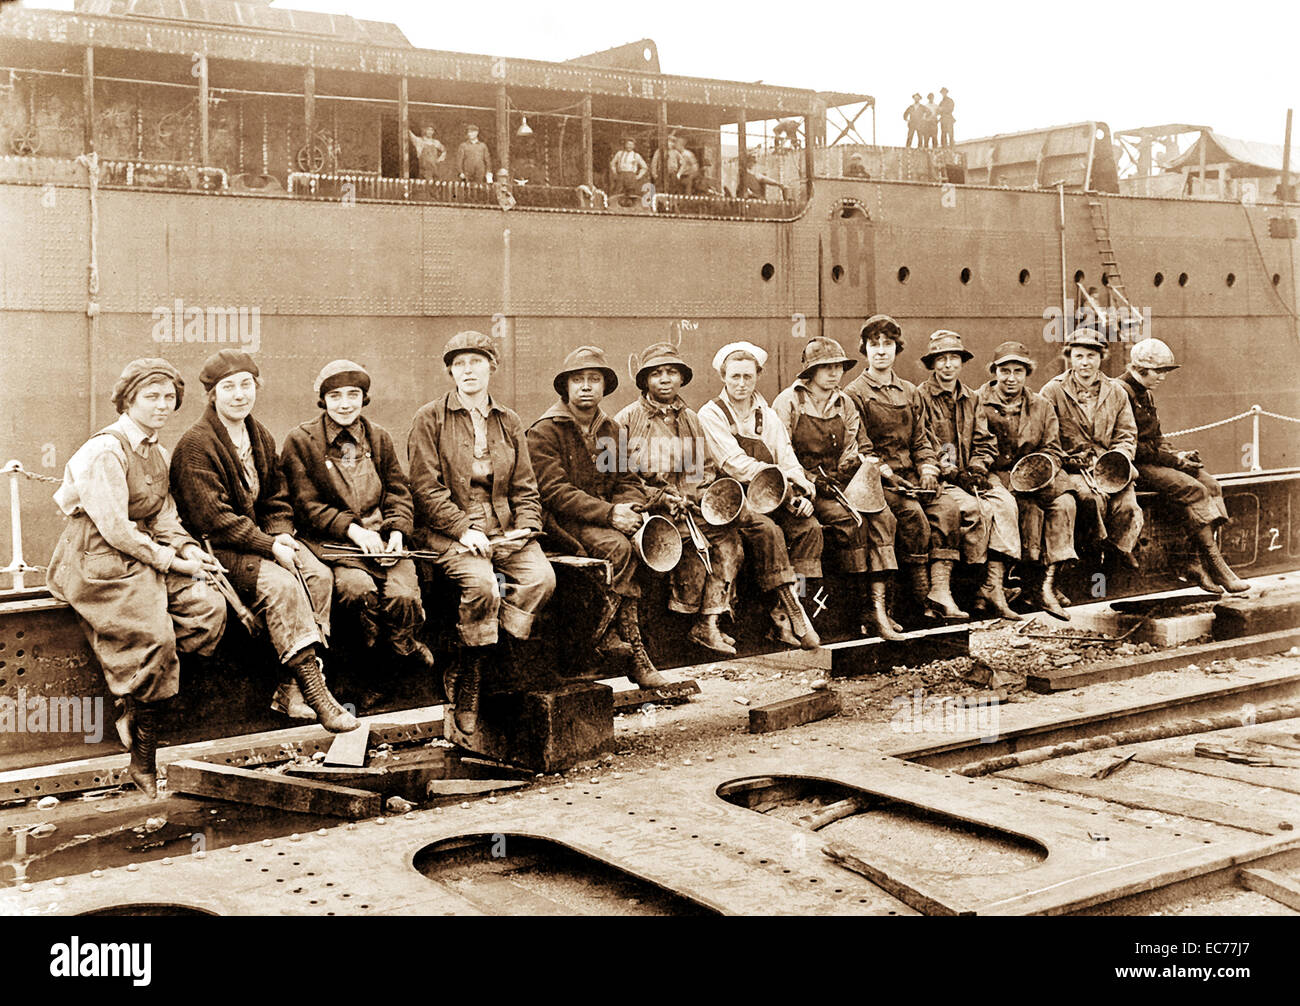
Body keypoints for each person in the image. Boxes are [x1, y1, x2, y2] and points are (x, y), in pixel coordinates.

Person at [47, 359, 227, 797]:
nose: (163, 405)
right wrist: (173, 562)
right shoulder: (105, 451)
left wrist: (188, 551)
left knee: (208, 609)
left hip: (145, 552)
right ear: (129, 400)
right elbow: (116, 529)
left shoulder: (157, 452)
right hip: (97, 559)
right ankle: (142, 754)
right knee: (155, 635)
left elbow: (164, 517)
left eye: (169, 398)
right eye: (152, 397)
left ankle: (137, 700)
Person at [171, 349, 357, 732]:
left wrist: (283, 537)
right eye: (229, 388)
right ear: (212, 394)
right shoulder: (195, 445)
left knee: (318, 576)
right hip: (219, 550)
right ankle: (317, 693)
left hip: (260, 541)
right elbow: (215, 519)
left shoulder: (258, 434)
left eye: (246, 385)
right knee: (283, 586)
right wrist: (270, 549)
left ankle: (290, 690)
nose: (239, 395)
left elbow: (275, 497)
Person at [408, 332, 557, 734]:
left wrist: (527, 524)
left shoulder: (509, 421)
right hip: (449, 529)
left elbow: (526, 485)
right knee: (483, 587)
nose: (468, 370)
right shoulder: (430, 417)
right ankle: (471, 677)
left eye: (476, 362)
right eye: (459, 364)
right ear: (451, 372)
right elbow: (424, 488)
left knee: (542, 578)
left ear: (492, 367)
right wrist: (461, 529)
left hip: (504, 526)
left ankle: (477, 651)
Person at [280, 360, 434, 681]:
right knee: (357, 592)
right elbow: (306, 504)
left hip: (384, 540)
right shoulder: (302, 441)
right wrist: (353, 531)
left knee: (404, 595)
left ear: (364, 398)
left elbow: (397, 491)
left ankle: (402, 646)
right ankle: (368, 666)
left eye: (354, 394)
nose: (345, 403)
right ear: (323, 400)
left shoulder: (378, 438)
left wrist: (396, 532)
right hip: (336, 544)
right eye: (335, 396)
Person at [527, 346, 671, 685]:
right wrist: (610, 514)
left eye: (594, 379)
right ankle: (608, 645)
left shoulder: (610, 430)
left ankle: (622, 641)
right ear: (565, 387)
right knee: (618, 548)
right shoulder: (546, 430)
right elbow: (554, 491)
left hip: (607, 518)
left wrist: (630, 508)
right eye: (578, 380)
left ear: (605, 387)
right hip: (562, 523)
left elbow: (625, 480)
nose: (586, 386)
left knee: (648, 547)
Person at [613, 342, 744, 655]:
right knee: (688, 545)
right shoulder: (624, 421)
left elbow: (703, 472)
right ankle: (679, 624)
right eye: (656, 373)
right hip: (647, 509)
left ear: (681, 378)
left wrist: (690, 496)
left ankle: (709, 623)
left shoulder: (691, 419)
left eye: (671, 372)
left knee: (728, 541)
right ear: (645, 380)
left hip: (686, 506)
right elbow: (615, 480)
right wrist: (659, 497)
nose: (665, 379)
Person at [773, 337, 906, 640]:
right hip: (804, 486)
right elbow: (782, 453)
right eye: (826, 367)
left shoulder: (844, 402)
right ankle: (835, 609)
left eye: (838, 367)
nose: (834, 374)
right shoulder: (789, 400)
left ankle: (876, 608)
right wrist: (810, 482)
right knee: (850, 522)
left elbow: (852, 445)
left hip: (838, 483)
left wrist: (851, 468)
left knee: (883, 518)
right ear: (810, 371)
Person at [843, 315, 971, 621]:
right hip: (880, 481)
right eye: (874, 345)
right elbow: (863, 449)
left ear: (897, 349)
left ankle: (941, 592)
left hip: (914, 476)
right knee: (913, 515)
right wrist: (892, 477)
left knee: (948, 509)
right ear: (865, 349)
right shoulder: (855, 393)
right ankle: (920, 597)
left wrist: (928, 468)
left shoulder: (910, 392)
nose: (881, 351)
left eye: (888, 344)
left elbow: (922, 440)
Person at [699, 341, 823, 649]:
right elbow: (735, 464)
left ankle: (789, 610)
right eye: (735, 377)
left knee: (810, 529)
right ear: (723, 377)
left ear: (758, 376)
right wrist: (783, 478)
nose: (741, 384)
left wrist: (801, 488)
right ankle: (790, 611)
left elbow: (787, 456)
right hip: (732, 498)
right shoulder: (711, 413)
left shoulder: (766, 415)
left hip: (772, 491)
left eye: (748, 377)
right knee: (768, 531)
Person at [1120, 338, 1248, 593]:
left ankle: (1194, 560)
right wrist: (1173, 460)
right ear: (1140, 368)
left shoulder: (1146, 393)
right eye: (1159, 371)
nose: (1163, 377)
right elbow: (1130, 446)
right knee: (1194, 490)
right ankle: (1215, 565)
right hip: (1134, 465)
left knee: (1211, 484)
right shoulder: (1120, 392)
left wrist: (1180, 455)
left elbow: (1156, 439)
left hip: (1155, 458)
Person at [974, 342, 1078, 620]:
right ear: (994, 372)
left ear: (1026, 373)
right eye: (1004, 370)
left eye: (1017, 371)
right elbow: (977, 446)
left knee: (1065, 502)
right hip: (996, 473)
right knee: (1023, 508)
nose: (1011, 378)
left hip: (1036, 474)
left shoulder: (1041, 406)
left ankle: (1047, 584)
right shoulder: (978, 402)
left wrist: (1042, 469)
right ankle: (1017, 582)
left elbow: (1053, 448)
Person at [915, 331, 1014, 616]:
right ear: (932, 364)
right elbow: (922, 440)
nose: (948, 365)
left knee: (1006, 506)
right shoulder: (920, 397)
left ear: (961, 362)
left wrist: (978, 468)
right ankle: (966, 584)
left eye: (953, 358)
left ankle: (993, 586)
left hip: (972, 476)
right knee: (973, 509)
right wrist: (950, 470)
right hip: (941, 478)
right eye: (941, 359)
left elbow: (985, 440)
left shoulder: (971, 398)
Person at [1039, 328, 1143, 569]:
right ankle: (1090, 556)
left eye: (1091, 356)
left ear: (1101, 357)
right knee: (1090, 499)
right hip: (1072, 468)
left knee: (1128, 506)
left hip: (1110, 466)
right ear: (1069, 358)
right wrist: (1065, 459)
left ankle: (1118, 548)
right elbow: (1045, 437)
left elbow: (1127, 433)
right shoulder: (1053, 391)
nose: (1085, 362)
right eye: (1079, 356)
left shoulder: (1116, 391)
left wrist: (1118, 460)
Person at [609, 137, 649, 203]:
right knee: (618, 192)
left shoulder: (636, 155)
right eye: (628, 144)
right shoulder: (619, 153)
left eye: (631, 145)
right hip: (621, 175)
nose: (629, 146)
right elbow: (612, 163)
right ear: (625, 145)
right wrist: (615, 172)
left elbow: (644, 167)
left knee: (631, 194)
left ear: (634, 146)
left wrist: (638, 176)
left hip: (631, 176)